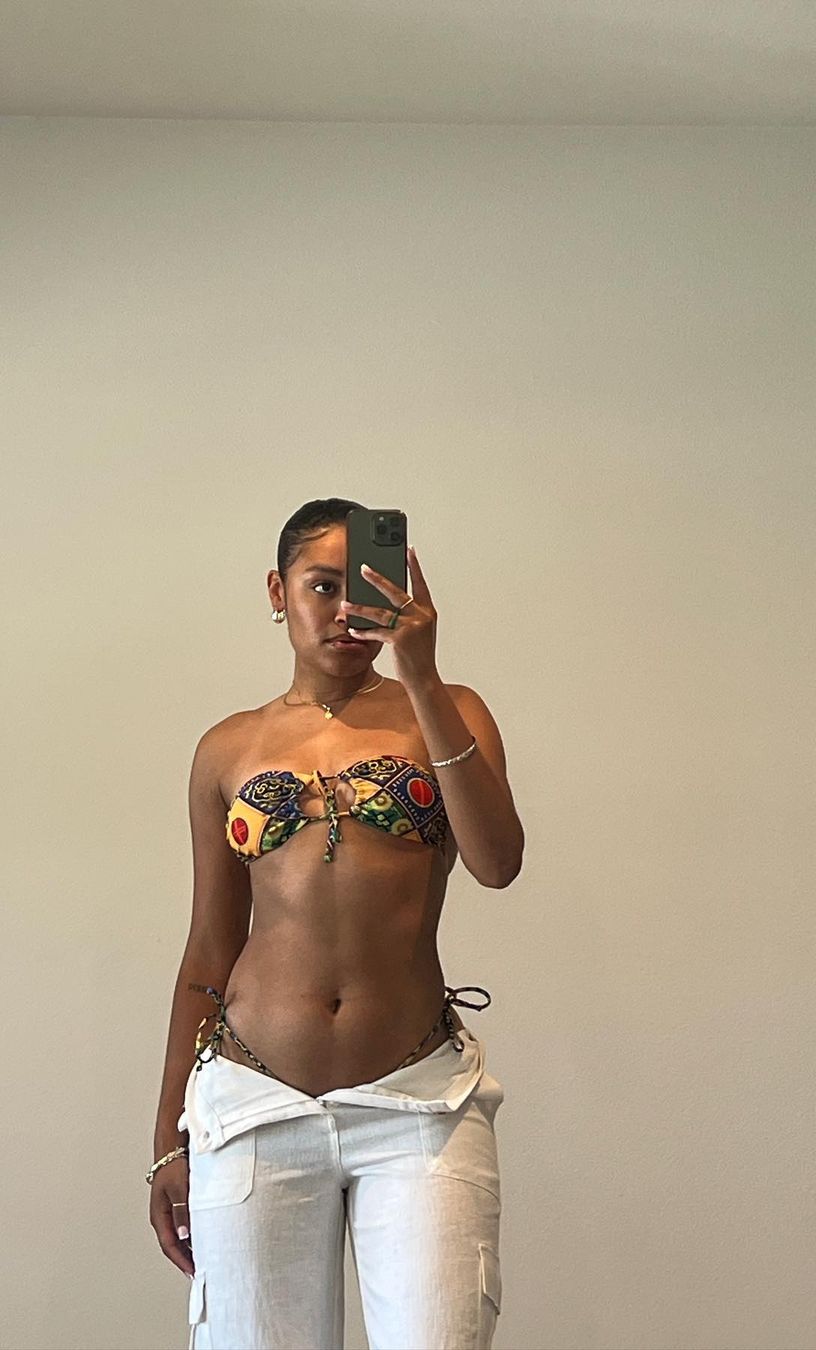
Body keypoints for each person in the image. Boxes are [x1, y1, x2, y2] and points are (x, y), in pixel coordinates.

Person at [146, 498, 524, 1350]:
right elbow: (210, 946)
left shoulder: (448, 709)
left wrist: (421, 674)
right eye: (324, 586)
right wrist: (169, 1137)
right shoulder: (227, 748)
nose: (347, 611)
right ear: (277, 592)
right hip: (252, 1102)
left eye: (368, 589)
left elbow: (498, 861)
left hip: (418, 1101)